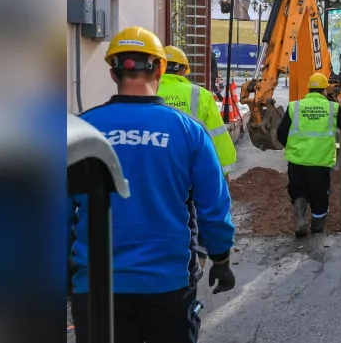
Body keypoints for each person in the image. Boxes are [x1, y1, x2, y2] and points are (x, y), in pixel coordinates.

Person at [68, 26, 236, 343]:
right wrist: (221, 258)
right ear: (159, 67)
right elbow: (214, 207)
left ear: (112, 70)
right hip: (168, 287)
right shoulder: (188, 131)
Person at [158, 45, 238, 269]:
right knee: (197, 232)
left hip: (156, 173)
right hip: (192, 174)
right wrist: (224, 173)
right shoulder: (199, 94)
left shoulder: (147, 92)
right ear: (184, 70)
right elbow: (217, 137)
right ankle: (194, 274)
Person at [276, 72, 341, 237]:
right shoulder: (333, 108)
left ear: (309, 89)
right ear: (325, 90)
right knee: (320, 199)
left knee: (299, 193)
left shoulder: (294, 106)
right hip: (320, 164)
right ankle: (317, 231)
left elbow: (281, 134)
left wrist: (294, 148)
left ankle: (300, 220)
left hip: (296, 163)